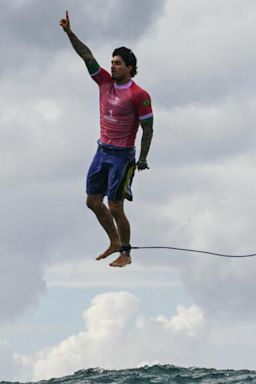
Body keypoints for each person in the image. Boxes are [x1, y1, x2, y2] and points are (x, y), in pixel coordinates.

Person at [59, 11, 154, 267]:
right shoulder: (103, 82)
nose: (112, 66)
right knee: (92, 201)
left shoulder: (139, 94)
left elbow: (148, 128)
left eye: (118, 63)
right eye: (112, 62)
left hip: (123, 156)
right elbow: (86, 56)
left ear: (130, 68)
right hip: (102, 151)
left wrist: (142, 158)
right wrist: (69, 33)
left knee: (115, 206)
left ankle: (126, 252)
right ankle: (113, 241)